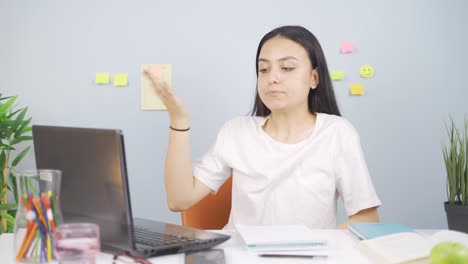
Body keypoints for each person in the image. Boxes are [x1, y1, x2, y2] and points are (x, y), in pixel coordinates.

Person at [144, 25, 381, 230]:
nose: (272, 78)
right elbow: (178, 200)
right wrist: (179, 120)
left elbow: (367, 218)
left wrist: (319, 244)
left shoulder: (337, 132)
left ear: (314, 78)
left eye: (287, 68)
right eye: (264, 69)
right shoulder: (236, 131)